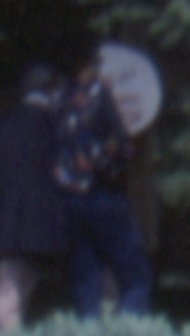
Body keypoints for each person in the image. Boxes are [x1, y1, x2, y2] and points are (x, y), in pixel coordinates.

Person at [0, 56, 77, 334]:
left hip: (13, 231)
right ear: (51, 89)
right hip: (59, 232)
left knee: (6, 307)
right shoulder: (63, 129)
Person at [59, 45, 159, 318]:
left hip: (71, 199)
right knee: (136, 277)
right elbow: (120, 145)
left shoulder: (62, 100)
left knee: (86, 281)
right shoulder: (99, 96)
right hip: (103, 194)